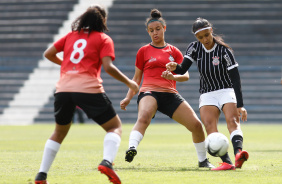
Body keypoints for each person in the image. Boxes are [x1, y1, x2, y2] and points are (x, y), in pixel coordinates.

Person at [34, 5, 138, 184]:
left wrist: (66, 66)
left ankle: (41, 175)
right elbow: (108, 67)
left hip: (63, 89)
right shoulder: (104, 39)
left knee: (59, 132)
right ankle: (107, 162)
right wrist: (130, 82)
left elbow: (48, 53)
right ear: (102, 21)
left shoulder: (70, 36)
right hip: (87, 88)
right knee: (114, 127)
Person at [120, 9, 214, 169]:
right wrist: (128, 97)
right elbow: (136, 78)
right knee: (144, 117)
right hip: (149, 91)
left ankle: (203, 161)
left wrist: (173, 77)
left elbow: (185, 75)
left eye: (158, 29)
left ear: (164, 28)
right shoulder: (143, 51)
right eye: (151, 30)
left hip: (170, 94)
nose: (155, 33)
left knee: (197, 126)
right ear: (148, 32)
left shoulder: (174, 51)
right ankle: (132, 148)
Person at [166, 17, 249, 171]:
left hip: (226, 90)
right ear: (196, 38)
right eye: (200, 37)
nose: (204, 39)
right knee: (210, 126)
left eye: (206, 35)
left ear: (211, 31)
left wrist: (240, 105)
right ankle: (227, 162)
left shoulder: (224, 51)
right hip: (207, 93)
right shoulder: (194, 48)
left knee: (232, 121)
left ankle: (239, 154)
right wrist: (174, 67)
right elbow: (182, 68)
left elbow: (235, 78)